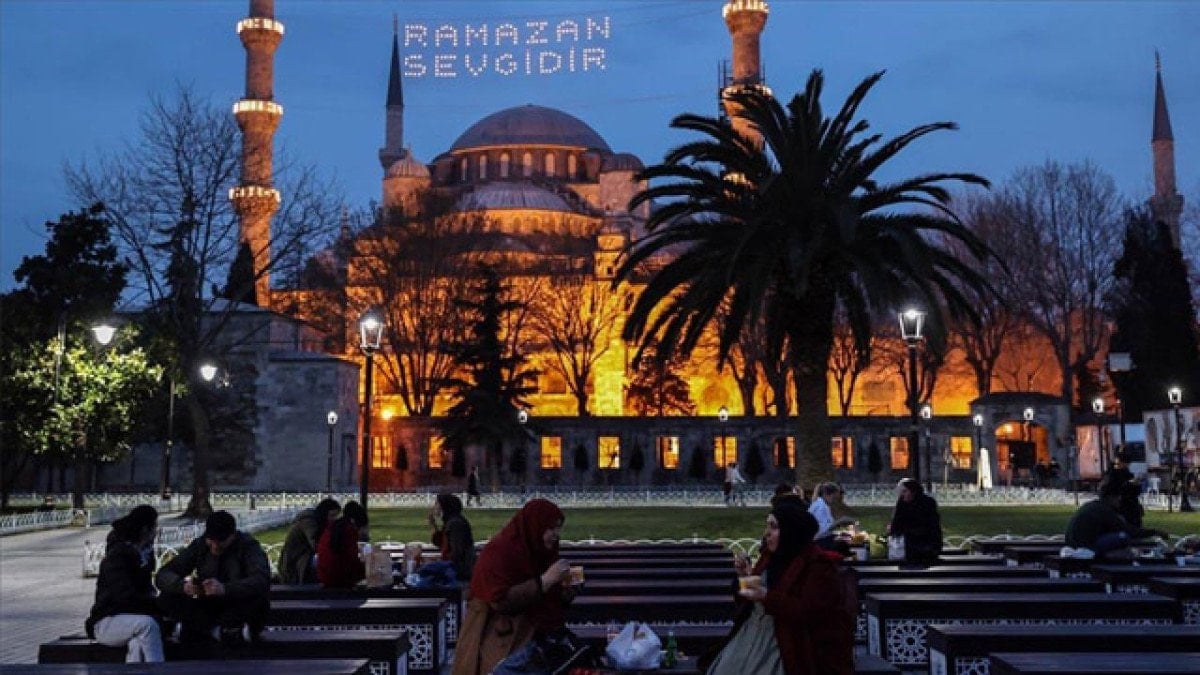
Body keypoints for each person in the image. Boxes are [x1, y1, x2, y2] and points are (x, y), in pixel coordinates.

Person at [703, 501, 854, 675]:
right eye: (767, 526)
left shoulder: (818, 566)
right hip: (750, 635)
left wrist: (767, 596)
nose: (766, 533)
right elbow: (748, 603)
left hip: (788, 642)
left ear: (791, 531)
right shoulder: (769, 557)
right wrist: (744, 578)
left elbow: (810, 612)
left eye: (774, 527)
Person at [452, 499, 579, 675]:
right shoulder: (499, 552)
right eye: (551, 528)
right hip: (497, 641)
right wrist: (545, 581)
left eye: (558, 528)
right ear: (535, 526)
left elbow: (546, 603)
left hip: (532, 641)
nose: (556, 534)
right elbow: (500, 601)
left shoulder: (540, 551)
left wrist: (564, 594)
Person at [155, 510, 271, 646]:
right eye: (211, 541)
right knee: (167, 597)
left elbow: (261, 579)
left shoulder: (248, 547)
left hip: (235, 602)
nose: (215, 547)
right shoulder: (200, 546)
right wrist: (183, 586)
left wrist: (225, 589)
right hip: (206, 603)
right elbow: (164, 574)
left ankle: (204, 630)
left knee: (258, 601)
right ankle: (218, 631)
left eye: (221, 541)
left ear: (232, 536)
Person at [85, 505, 164, 663]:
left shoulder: (144, 554)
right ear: (145, 530)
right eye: (155, 527)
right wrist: (157, 605)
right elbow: (124, 597)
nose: (157, 532)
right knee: (147, 626)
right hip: (106, 621)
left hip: (130, 620)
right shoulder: (117, 557)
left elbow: (146, 591)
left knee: (138, 643)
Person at [1065, 478, 1167, 558]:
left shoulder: (1093, 506)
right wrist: (1155, 532)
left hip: (1074, 542)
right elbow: (1128, 530)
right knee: (1123, 537)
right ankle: (1110, 556)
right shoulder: (1105, 511)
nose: (1120, 499)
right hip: (1085, 546)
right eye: (1118, 496)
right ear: (1110, 497)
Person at [277, 498, 340, 584]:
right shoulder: (308, 522)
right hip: (295, 563)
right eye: (332, 515)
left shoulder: (320, 523)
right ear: (324, 514)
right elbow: (316, 545)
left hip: (305, 558)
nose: (334, 519)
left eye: (336, 516)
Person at [885, 478, 943, 565]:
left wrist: (902, 530)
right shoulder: (902, 503)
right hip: (909, 546)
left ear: (913, 491)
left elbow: (931, 527)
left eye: (904, 491)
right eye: (900, 492)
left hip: (927, 545)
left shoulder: (928, 503)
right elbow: (896, 523)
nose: (902, 495)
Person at [317, 500, 369, 588]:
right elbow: (351, 561)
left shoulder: (334, 527)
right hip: (338, 578)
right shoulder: (349, 531)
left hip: (325, 576)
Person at [427, 493, 477, 584]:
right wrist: (433, 525)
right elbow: (442, 542)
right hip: (454, 569)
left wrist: (440, 563)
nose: (434, 507)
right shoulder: (451, 521)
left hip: (457, 573)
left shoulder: (455, 524)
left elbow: (456, 553)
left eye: (437, 503)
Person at [809, 483, 856, 552]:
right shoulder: (820, 507)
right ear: (826, 495)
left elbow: (827, 526)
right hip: (819, 543)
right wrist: (840, 522)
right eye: (834, 498)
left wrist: (840, 524)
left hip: (823, 540)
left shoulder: (824, 505)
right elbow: (821, 531)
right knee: (844, 546)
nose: (835, 501)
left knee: (846, 541)